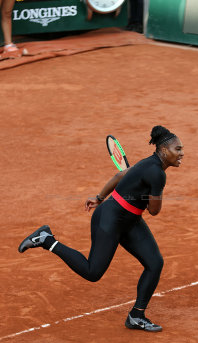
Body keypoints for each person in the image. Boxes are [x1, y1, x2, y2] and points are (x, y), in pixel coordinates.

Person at [18, 126, 184, 332]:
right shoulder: (157, 174)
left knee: (154, 263)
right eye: (178, 149)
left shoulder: (147, 163)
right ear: (164, 151)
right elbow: (154, 210)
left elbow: (119, 175)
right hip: (109, 220)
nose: (182, 154)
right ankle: (46, 239)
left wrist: (98, 197)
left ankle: (136, 316)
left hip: (130, 220)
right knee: (93, 272)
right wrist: (151, 192)